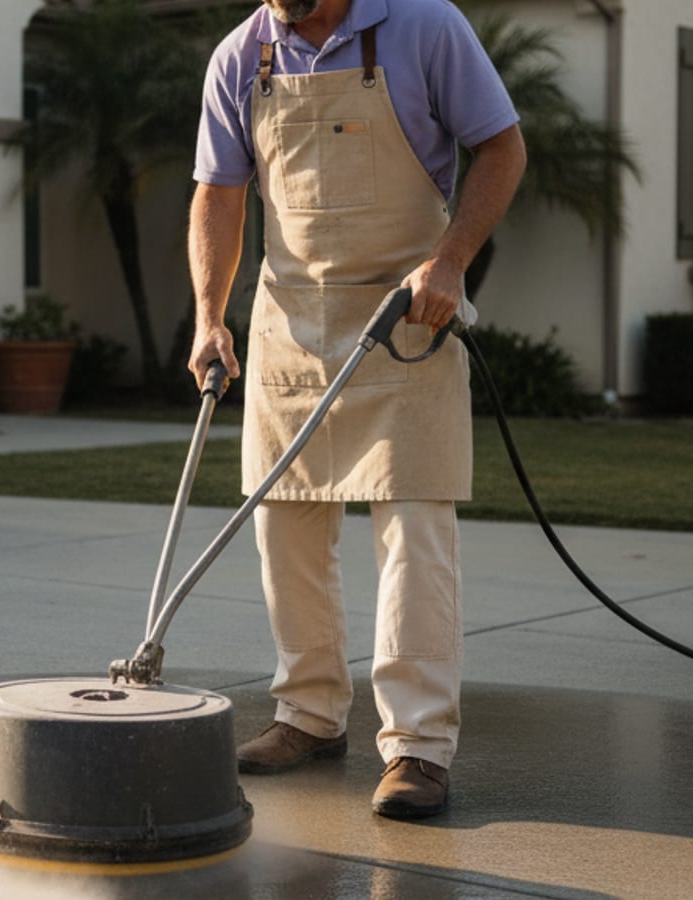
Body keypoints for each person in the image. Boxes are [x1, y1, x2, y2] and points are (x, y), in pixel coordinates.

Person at [187, 0, 525, 819]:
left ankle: (416, 746)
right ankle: (308, 712)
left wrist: (449, 264)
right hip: (290, 322)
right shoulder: (242, 56)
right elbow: (220, 196)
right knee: (286, 525)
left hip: (407, 317)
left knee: (413, 527)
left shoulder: (426, 26)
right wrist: (207, 316)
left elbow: (502, 149)